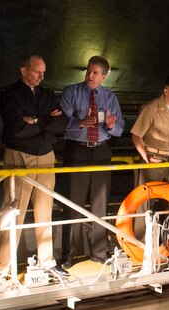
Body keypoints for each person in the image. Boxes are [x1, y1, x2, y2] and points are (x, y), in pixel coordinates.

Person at [0, 54, 68, 277]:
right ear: (24, 71)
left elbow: (61, 122)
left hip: (46, 156)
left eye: (43, 72)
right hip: (20, 157)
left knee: (45, 211)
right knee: (14, 210)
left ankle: (47, 261)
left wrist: (35, 120)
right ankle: (3, 266)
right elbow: (16, 128)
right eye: (37, 71)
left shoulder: (47, 94)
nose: (41, 76)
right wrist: (45, 120)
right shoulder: (10, 95)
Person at [59, 56, 125, 268]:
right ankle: (69, 255)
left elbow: (119, 129)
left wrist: (110, 126)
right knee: (73, 204)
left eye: (96, 73)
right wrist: (81, 123)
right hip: (77, 151)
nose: (90, 75)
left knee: (100, 204)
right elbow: (61, 124)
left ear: (104, 77)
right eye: (89, 71)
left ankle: (99, 252)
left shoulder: (109, 97)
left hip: (101, 151)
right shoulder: (71, 92)